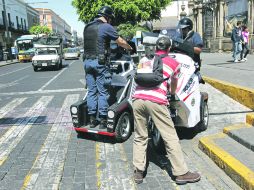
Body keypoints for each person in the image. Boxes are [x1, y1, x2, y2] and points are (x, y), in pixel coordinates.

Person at [132, 36, 201, 185]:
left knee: (140, 135)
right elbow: (174, 84)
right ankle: (181, 173)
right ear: (169, 49)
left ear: (156, 47)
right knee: (170, 136)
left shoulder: (144, 60)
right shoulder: (173, 62)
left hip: (137, 99)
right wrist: (172, 93)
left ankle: (138, 171)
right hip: (156, 102)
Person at [83, 6, 132, 129]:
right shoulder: (106, 27)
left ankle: (92, 119)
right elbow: (120, 41)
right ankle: (104, 120)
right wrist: (130, 48)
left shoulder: (87, 27)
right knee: (103, 91)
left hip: (87, 63)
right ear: (108, 17)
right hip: (100, 64)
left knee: (91, 91)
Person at [177, 17, 204, 84]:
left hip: (192, 63)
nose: (182, 30)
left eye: (184, 28)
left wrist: (186, 46)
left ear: (189, 28)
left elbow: (198, 50)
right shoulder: (180, 36)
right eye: (181, 28)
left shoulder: (195, 36)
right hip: (181, 64)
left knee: (194, 83)